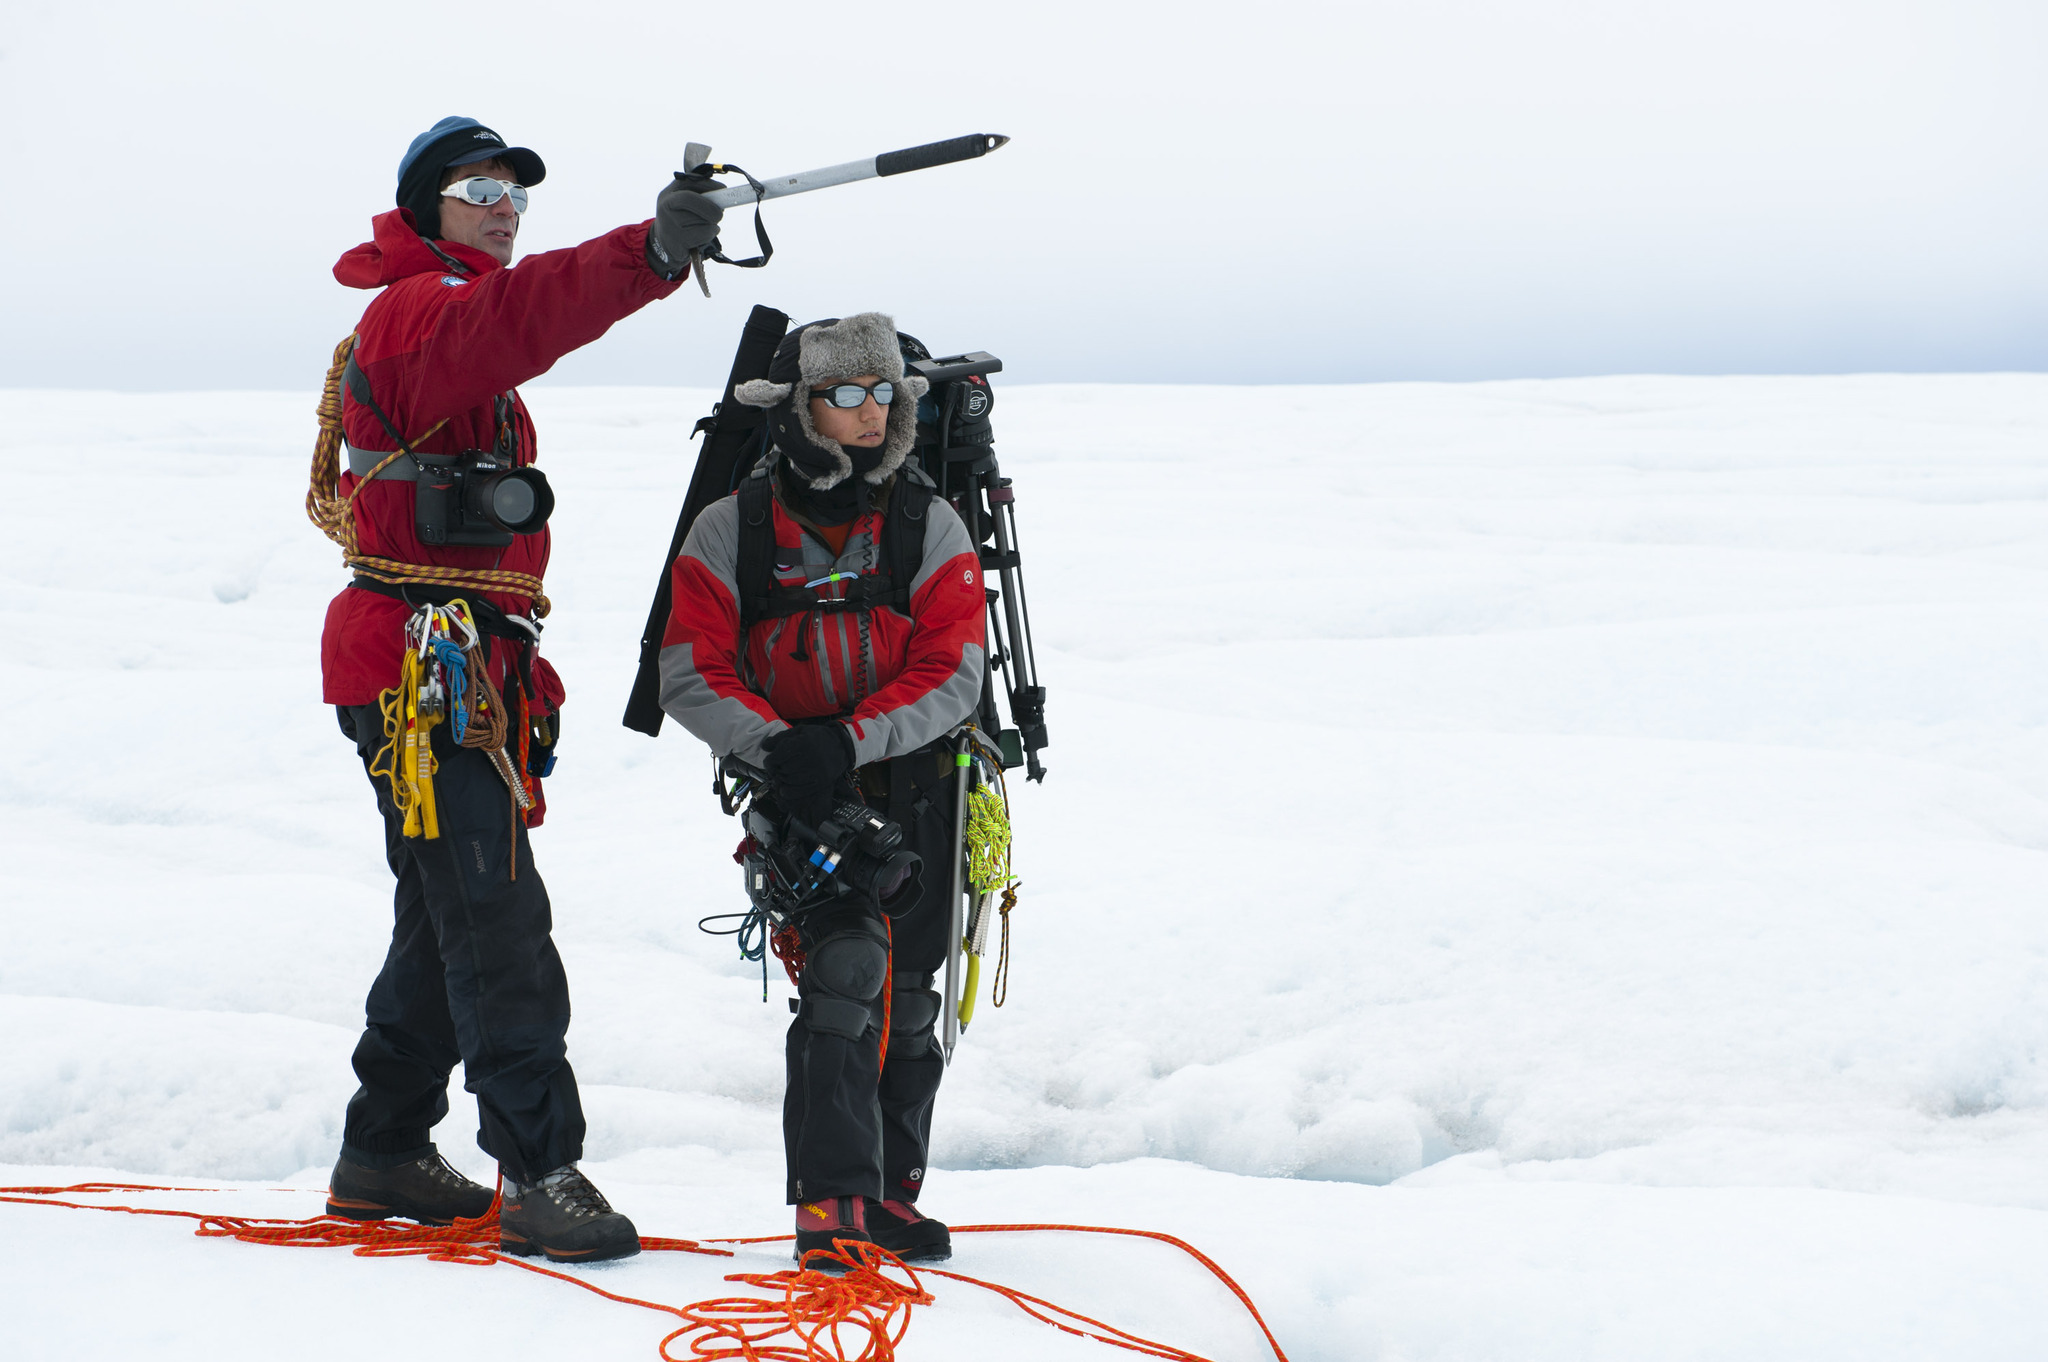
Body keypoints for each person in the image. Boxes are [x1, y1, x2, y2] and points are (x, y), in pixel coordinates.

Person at [319, 115, 726, 1263]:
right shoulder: (420, 313)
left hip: (456, 659)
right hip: (422, 669)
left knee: (441, 911)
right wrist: (646, 254)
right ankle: (540, 1171)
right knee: (495, 916)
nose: (501, 204)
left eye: (512, 191)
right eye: (476, 186)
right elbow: (520, 315)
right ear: (423, 205)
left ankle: (384, 1147)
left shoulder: (438, 313)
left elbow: (509, 318)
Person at [657, 313, 987, 1263]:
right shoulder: (733, 527)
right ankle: (830, 1209)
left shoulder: (930, 521)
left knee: (911, 994)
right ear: (802, 408)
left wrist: (847, 738)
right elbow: (690, 668)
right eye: (848, 394)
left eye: (886, 392)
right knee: (846, 976)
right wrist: (779, 749)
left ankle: (887, 1193)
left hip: (917, 779)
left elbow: (953, 666)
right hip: (796, 790)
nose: (871, 413)